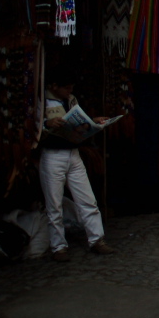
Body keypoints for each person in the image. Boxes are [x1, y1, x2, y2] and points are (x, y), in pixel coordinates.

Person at [39, 66, 115, 262]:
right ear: (54, 86)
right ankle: (58, 247)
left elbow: (77, 120)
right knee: (54, 203)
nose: (69, 91)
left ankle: (97, 239)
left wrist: (92, 122)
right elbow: (33, 125)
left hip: (73, 152)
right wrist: (47, 124)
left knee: (87, 198)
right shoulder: (41, 100)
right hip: (53, 154)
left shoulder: (71, 100)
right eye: (65, 88)